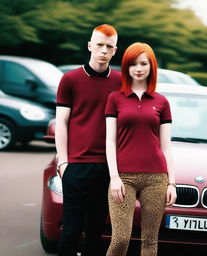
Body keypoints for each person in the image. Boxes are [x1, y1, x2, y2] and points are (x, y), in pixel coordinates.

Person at [105, 42, 177, 256]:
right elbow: (110, 141)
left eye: (143, 63)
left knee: (149, 242)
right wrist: (114, 177)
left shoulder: (162, 102)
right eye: (133, 64)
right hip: (123, 178)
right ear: (126, 67)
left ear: (151, 66)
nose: (138, 68)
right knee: (119, 239)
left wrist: (171, 182)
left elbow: (166, 146)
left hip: (156, 178)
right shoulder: (115, 99)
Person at [55, 24, 121, 256]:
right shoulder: (70, 79)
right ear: (90, 46)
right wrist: (63, 162)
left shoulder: (121, 82)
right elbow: (61, 122)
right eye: (100, 45)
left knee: (95, 232)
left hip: (107, 168)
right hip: (77, 166)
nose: (104, 50)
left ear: (115, 51)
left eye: (109, 47)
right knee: (70, 230)